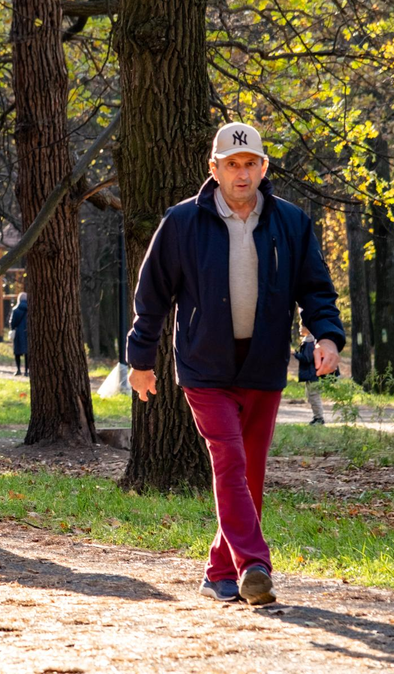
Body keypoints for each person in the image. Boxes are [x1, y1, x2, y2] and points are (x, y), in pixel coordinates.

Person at [126, 122, 344, 606]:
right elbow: (153, 295)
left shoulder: (291, 222)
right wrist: (140, 359)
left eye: (250, 164)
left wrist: (326, 335)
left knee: (250, 473)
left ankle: (220, 572)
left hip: (264, 365)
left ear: (263, 167)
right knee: (229, 460)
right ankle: (255, 564)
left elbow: (315, 290)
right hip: (205, 364)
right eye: (231, 164)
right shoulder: (182, 222)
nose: (241, 174)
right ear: (214, 168)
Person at [294, 324, 325, 425]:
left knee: (314, 396)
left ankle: (319, 418)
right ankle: (316, 417)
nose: (299, 329)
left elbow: (307, 358)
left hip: (312, 374)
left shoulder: (309, 342)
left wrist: (295, 355)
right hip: (311, 374)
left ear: (307, 328)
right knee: (310, 396)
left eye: (301, 327)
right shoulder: (308, 340)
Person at [10, 292, 29, 376]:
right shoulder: (30, 309)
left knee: (17, 352)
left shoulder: (15, 310)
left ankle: (18, 370)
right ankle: (26, 371)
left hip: (18, 332)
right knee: (27, 352)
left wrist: (12, 329)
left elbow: (12, 323)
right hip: (27, 332)